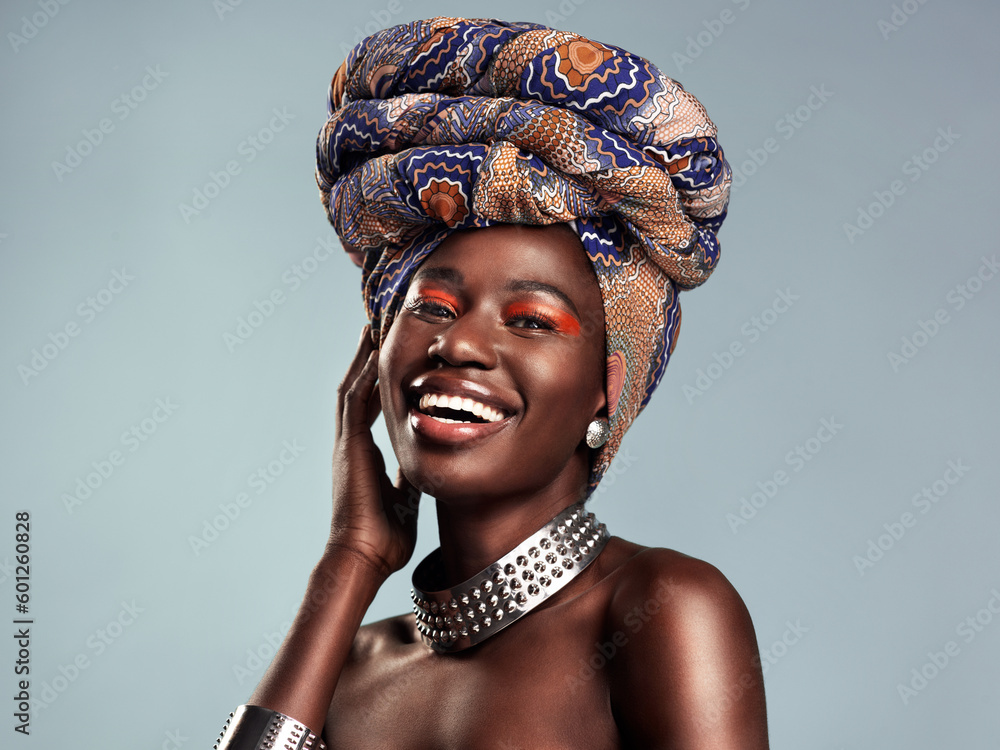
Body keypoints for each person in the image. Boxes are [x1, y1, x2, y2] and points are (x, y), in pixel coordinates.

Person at [215, 17, 768, 749]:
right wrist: (350, 559)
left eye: (532, 320)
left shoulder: (658, 611)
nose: (460, 342)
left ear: (610, 388)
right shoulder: (348, 665)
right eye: (432, 307)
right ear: (374, 353)